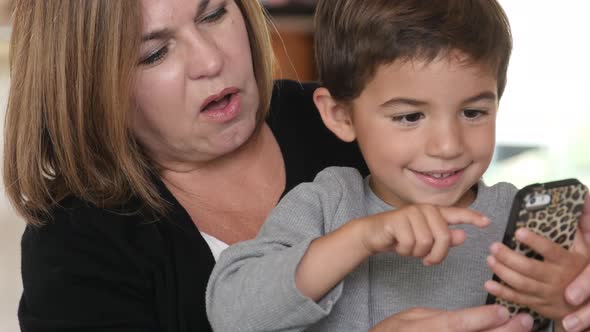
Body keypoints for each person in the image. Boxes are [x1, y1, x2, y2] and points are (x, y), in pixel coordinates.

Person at [3, 1, 587, 332]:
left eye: (214, 14)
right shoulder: (78, 246)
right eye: (154, 52)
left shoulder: (369, 119)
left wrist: (572, 303)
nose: (212, 60)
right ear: (89, 87)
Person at [206, 1, 590, 331]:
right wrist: (361, 238)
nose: (448, 145)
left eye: (473, 112)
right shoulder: (327, 205)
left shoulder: (519, 224)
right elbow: (232, 314)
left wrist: (566, 307)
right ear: (340, 115)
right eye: (409, 117)